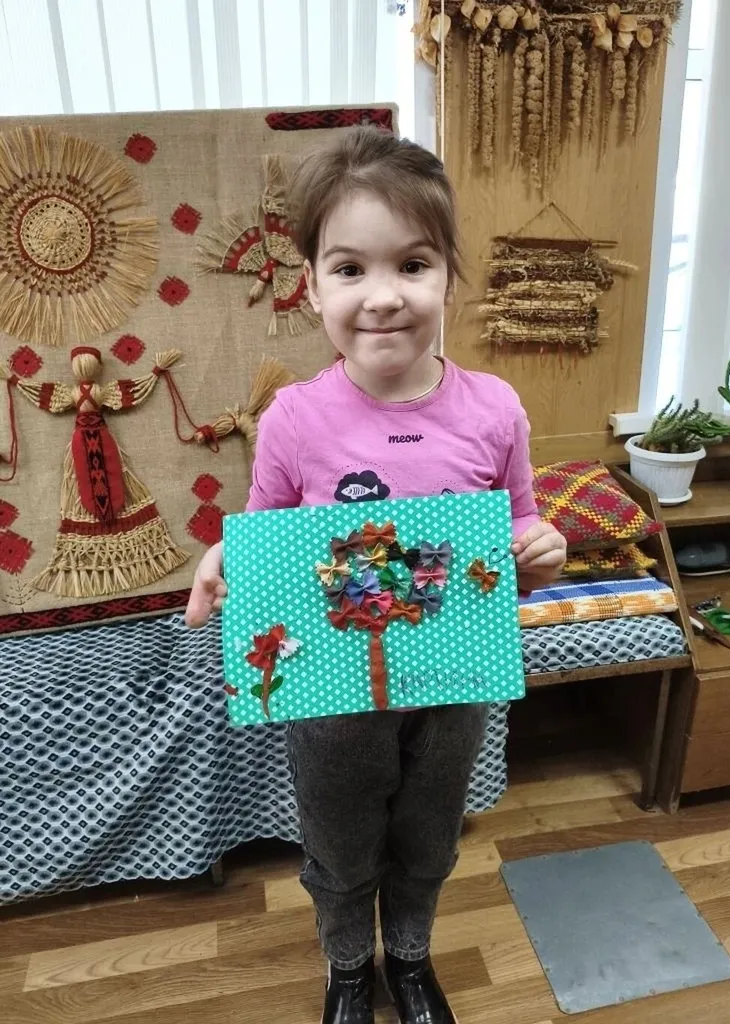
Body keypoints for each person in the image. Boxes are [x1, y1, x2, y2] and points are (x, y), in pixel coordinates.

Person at [185, 127, 566, 1024]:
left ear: (449, 278)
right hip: (332, 697)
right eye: (351, 268)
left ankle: (413, 958)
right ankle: (349, 967)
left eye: (414, 265)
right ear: (311, 284)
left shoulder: (495, 409)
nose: (384, 296)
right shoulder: (292, 419)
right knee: (340, 843)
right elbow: (268, 537)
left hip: (454, 683)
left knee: (429, 837)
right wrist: (226, 557)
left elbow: (518, 523)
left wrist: (539, 550)